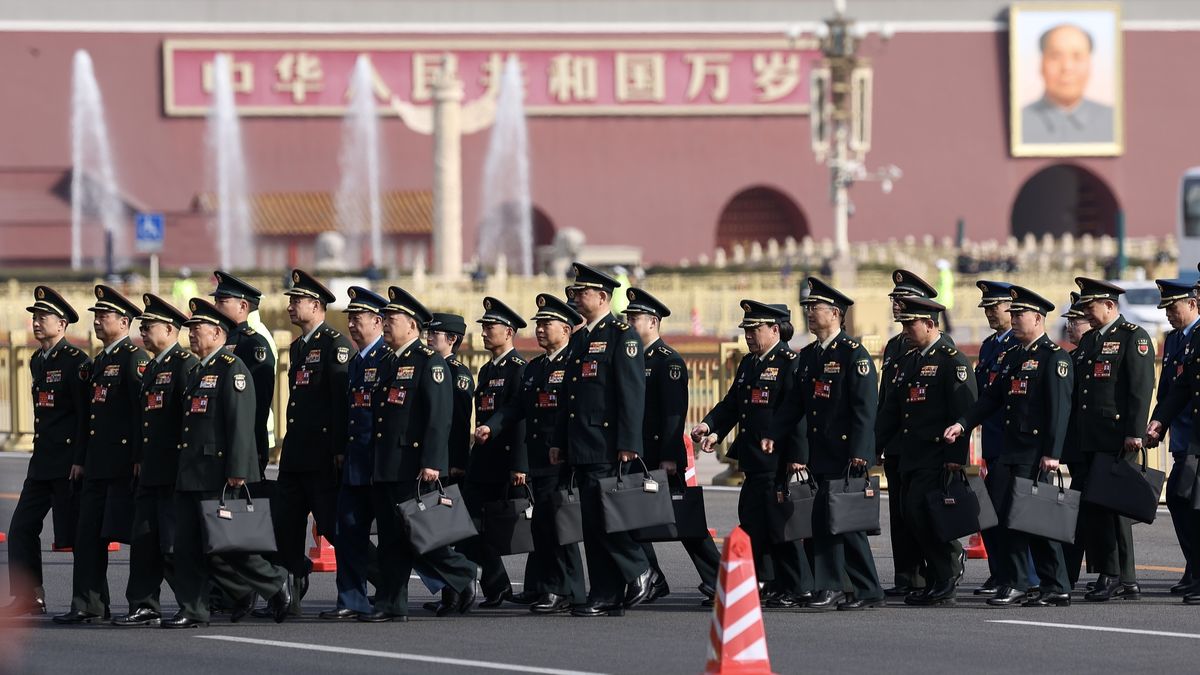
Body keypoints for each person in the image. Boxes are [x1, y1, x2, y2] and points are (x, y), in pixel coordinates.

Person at [163, 298, 291, 628]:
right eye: (189, 330)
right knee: (188, 545)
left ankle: (275, 584)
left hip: (219, 472)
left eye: (197, 329)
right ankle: (193, 608)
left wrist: (239, 469)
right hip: (191, 469)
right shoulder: (197, 370)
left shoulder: (232, 369)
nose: (191, 335)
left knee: (230, 543)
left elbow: (240, 424)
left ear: (217, 332)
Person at [944, 285, 1073, 607]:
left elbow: (1059, 411)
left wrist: (1053, 453)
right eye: (1012, 314)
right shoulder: (1013, 356)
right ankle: (1018, 581)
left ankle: (1054, 584)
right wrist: (963, 424)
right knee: (1002, 514)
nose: (1014, 319)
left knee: (1037, 521)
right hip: (1010, 450)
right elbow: (991, 399)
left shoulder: (1053, 358)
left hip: (1036, 453)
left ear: (1039, 319)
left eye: (1020, 315)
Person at [358, 286, 477, 622]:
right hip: (386, 464)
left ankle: (465, 571)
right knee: (393, 538)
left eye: (391, 319)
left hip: (412, 465)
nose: (384, 324)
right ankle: (391, 604)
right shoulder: (386, 362)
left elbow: (439, 418)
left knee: (420, 532)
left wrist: (432, 463)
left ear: (411, 325)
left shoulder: (429, 363)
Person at [765, 278, 885, 611]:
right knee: (832, 523)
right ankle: (865, 589)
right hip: (821, 451)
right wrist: (773, 433)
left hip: (846, 454)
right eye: (807, 308)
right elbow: (795, 404)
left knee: (840, 523)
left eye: (814, 308)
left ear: (834, 313)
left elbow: (865, 409)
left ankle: (836, 586)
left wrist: (861, 453)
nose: (809, 314)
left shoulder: (852, 354)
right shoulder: (810, 355)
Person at [550, 262, 654, 617]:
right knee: (593, 522)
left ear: (603, 296)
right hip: (581, 441)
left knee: (608, 517)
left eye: (582, 293)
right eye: (575, 292)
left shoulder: (621, 336)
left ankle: (640, 569)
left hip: (608, 442)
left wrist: (629, 442)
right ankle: (606, 593)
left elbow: (631, 394)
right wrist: (559, 440)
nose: (576, 298)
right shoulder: (581, 338)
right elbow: (571, 396)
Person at [476, 294, 588, 614]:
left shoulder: (574, 363)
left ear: (566, 329)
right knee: (544, 525)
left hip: (562, 456)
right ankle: (550, 587)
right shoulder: (536, 367)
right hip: (540, 456)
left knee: (557, 525)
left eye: (546, 324)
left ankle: (565, 590)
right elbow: (517, 408)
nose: (540, 329)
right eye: (538, 324)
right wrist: (492, 427)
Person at [54, 285, 150, 624]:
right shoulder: (101, 361)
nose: (97, 321)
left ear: (124, 322)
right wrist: (79, 458)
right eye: (95, 315)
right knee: (87, 535)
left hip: (125, 464)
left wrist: (139, 456)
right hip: (96, 463)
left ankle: (143, 602)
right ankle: (89, 603)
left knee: (136, 537)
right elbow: (88, 418)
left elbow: (143, 415)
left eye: (104, 315)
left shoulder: (133, 360)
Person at [875, 296, 977, 606]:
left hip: (937, 455)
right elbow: (891, 412)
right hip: (912, 453)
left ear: (929, 324)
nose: (905, 330)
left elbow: (964, 412)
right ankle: (935, 577)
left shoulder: (952, 361)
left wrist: (956, 460)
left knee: (925, 514)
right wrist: (872, 448)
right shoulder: (909, 361)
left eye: (910, 324)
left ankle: (946, 573)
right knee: (911, 514)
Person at [624, 288, 721, 606]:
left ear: (652, 322)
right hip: (635, 454)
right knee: (631, 518)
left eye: (634, 318)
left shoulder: (668, 362)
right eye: (627, 317)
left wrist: (668, 457)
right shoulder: (631, 358)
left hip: (661, 455)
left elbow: (672, 416)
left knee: (686, 524)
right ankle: (652, 577)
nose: (629, 323)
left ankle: (721, 581)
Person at [1, 287, 90, 616]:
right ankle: (29, 595)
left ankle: (88, 601)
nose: (36, 323)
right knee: (21, 528)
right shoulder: (38, 360)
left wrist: (80, 459)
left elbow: (85, 417)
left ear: (62, 324)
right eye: (34, 317)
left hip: (68, 463)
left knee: (75, 535)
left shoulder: (76, 363)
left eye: (43, 317)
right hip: (42, 462)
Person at [270, 269, 353, 616]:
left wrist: (338, 451)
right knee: (281, 526)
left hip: (321, 458)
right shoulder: (300, 346)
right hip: (295, 457)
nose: (290, 305)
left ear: (316, 305)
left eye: (297, 300)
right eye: (290, 299)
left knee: (335, 530)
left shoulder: (335, 346)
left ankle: (383, 584)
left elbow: (340, 404)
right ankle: (293, 581)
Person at [113, 294, 198, 626]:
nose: (143, 331)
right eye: (142, 326)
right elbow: (143, 419)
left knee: (173, 544)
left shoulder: (184, 364)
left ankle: (195, 602)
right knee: (144, 540)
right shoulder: (154, 366)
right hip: (150, 467)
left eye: (149, 326)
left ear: (169, 328)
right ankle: (143, 602)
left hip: (174, 467)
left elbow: (188, 420)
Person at [1071, 277, 1154, 602]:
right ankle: (1121, 576)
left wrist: (1135, 432)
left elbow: (1140, 388)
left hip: (1118, 437)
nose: (1087, 314)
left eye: (1091, 308)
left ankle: (1115, 575)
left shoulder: (1133, 337)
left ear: (1109, 305)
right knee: (1100, 508)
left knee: (1114, 507)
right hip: (1091, 436)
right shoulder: (1091, 340)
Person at [320, 286, 389, 620]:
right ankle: (351, 598)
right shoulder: (357, 362)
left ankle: (456, 580)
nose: (352, 324)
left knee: (399, 535)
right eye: (350, 317)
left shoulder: (387, 359)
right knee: (347, 529)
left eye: (358, 317)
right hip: (355, 461)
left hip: (380, 463)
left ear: (377, 322)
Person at [455, 297, 528, 609]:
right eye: (483, 326)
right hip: (482, 461)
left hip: (506, 461)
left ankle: (504, 586)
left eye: (490, 327)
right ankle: (496, 584)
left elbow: (522, 419)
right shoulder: (486, 370)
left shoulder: (518, 370)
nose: (484, 332)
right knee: (466, 525)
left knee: (505, 530)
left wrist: (519, 465)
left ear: (508, 332)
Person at [971, 281, 1040, 597]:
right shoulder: (988, 347)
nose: (990, 313)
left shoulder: (1019, 347)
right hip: (994, 441)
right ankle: (1000, 573)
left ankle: (1022, 576)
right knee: (992, 513)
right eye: (986, 307)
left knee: (1014, 513)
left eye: (994, 307)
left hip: (1016, 441)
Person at [877, 269, 940, 598]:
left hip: (922, 444)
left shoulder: (936, 347)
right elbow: (885, 397)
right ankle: (908, 576)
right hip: (896, 443)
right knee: (900, 514)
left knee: (922, 513)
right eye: (895, 299)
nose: (896, 305)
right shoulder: (894, 345)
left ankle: (935, 574)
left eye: (902, 300)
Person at [1146, 278, 1200, 603]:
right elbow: (1177, 387)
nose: (1168, 313)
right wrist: (1159, 422)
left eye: (1173, 306)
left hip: (1195, 440)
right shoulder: (1182, 341)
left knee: (1187, 500)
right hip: (1187, 440)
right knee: (1183, 501)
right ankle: (1195, 570)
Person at [211, 271, 276, 481]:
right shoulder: (218, 341)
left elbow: (257, 404)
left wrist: (253, 449)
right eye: (216, 301)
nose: (216, 307)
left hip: (244, 447)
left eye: (223, 301)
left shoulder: (254, 345)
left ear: (242, 306)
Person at [1020, 23, 1115, 145]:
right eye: (1055, 56)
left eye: (1077, 57)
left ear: (1090, 64)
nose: (1067, 67)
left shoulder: (1113, 120)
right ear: (1041, 63)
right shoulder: (1020, 121)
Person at [1060, 291, 1093, 589]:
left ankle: (1117, 576)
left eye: (1076, 321)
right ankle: (1068, 574)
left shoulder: (1096, 355)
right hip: (1078, 450)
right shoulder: (1071, 358)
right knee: (1078, 513)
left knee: (1095, 515)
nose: (1070, 326)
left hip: (1095, 448)